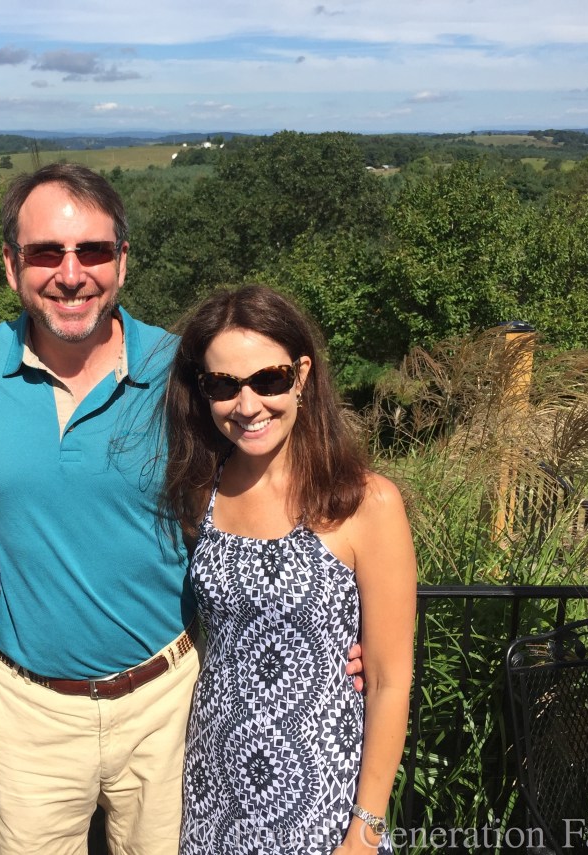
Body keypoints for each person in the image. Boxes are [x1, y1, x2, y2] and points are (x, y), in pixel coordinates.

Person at [0, 164, 363, 854]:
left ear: (122, 261)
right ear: (11, 265)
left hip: (166, 703)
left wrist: (332, 633)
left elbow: (278, 463)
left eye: (93, 251)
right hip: (28, 711)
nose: (71, 274)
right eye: (46, 253)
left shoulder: (182, 372)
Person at [162, 284, 416, 855]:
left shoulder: (365, 503)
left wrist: (366, 830)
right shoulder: (200, 491)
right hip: (213, 784)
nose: (248, 404)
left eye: (268, 380)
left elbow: (389, 681)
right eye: (223, 385)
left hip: (321, 794)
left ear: (302, 375)